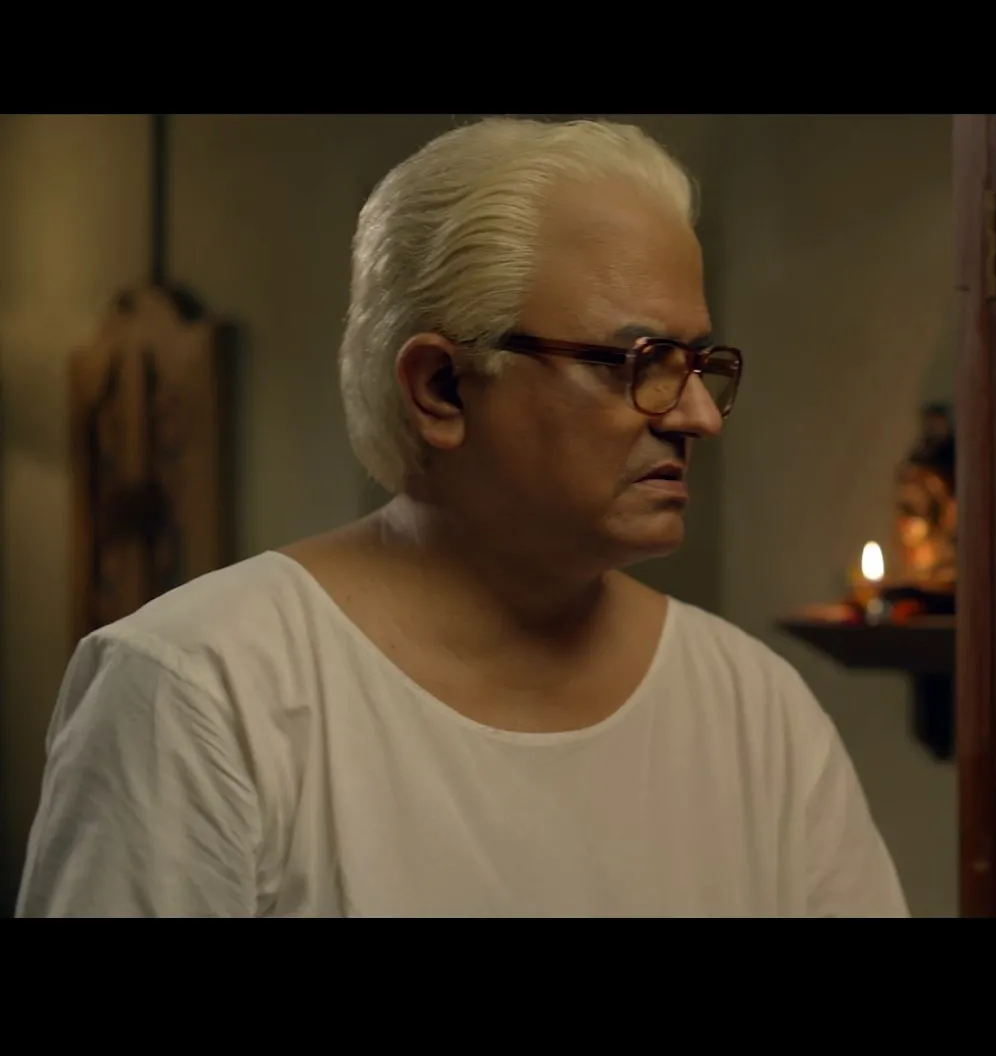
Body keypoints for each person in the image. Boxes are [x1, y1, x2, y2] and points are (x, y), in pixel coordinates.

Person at [15, 117, 910, 918]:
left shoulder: (756, 710)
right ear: (441, 387)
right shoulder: (200, 689)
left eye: (698, 362)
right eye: (641, 360)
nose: (699, 415)